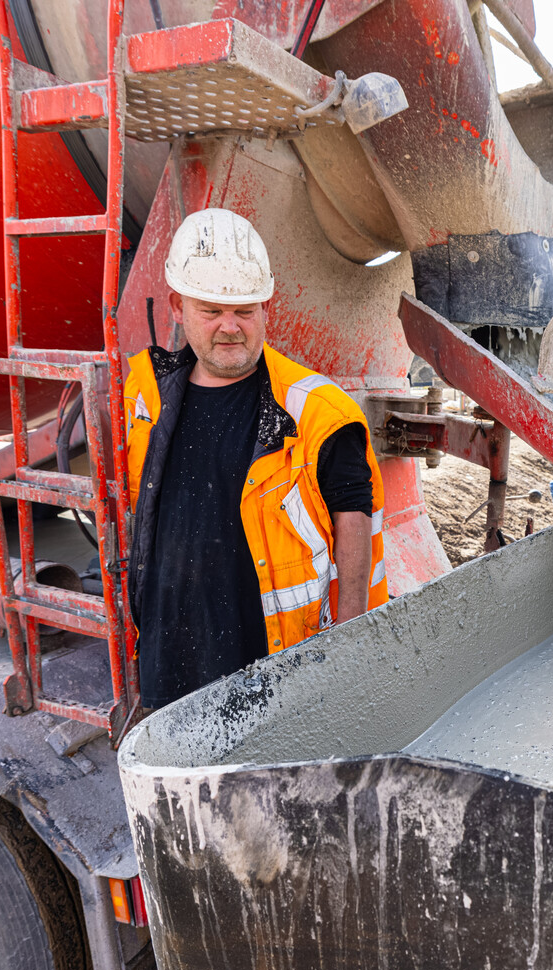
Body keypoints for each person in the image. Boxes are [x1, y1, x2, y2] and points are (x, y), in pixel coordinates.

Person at [122, 208, 388, 710]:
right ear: (177, 306)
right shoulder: (146, 399)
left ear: (268, 306)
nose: (231, 327)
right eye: (212, 310)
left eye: (245, 311)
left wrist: (350, 655)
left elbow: (355, 521)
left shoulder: (318, 413)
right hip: (169, 667)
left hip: (271, 675)